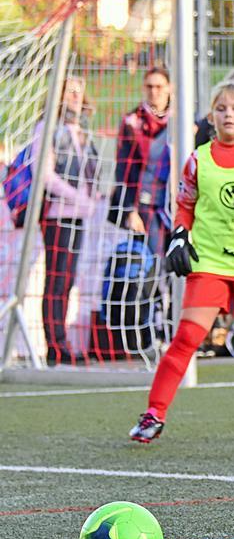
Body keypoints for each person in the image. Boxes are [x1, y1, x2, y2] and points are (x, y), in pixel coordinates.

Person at [128, 79, 234, 445]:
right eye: (221, 109)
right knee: (187, 337)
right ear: (211, 116)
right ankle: (153, 415)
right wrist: (179, 234)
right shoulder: (198, 158)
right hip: (209, 261)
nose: (228, 115)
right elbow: (185, 205)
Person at [31, 76, 103, 366]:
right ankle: (55, 345)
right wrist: (76, 196)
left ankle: (62, 342)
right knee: (57, 279)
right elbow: (44, 174)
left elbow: (89, 170)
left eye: (78, 91)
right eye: (69, 91)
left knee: (69, 279)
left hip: (79, 215)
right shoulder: (47, 128)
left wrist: (93, 193)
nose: (74, 96)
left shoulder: (82, 130)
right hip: (58, 214)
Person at [111, 65, 172, 255]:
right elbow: (123, 169)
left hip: (176, 203)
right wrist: (130, 209)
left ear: (169, 88)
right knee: (153, 263)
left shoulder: (184, 120)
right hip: (146, 204)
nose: (154, 92)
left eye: (159, 87)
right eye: (149, 86)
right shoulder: (132, 122)